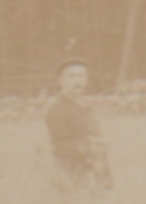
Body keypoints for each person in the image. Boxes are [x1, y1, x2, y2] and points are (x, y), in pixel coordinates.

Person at [45, 58, 113, 192]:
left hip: (96, 169)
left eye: (82, 76)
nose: (78, 81)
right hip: (75, 175)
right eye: (72, 76)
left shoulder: (83, 106)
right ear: (61, 81)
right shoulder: (57, 108)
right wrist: (92, 144)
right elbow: (60, 145)